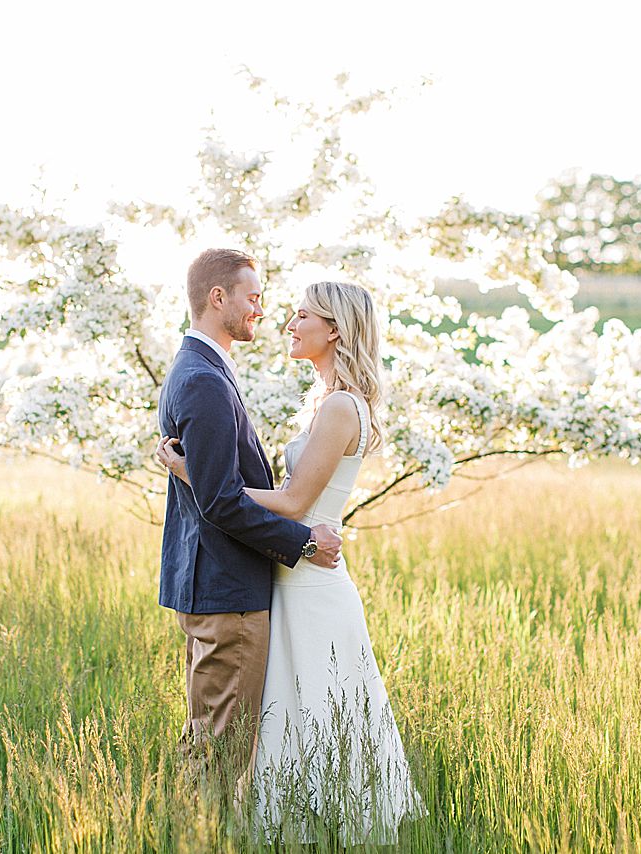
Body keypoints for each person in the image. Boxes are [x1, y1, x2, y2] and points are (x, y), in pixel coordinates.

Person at [157, 279, 426, 845]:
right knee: (289, 708)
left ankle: (337, 823)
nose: (288, 322)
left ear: (334, 329)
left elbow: (296, 502)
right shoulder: (323, 403)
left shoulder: (340, 408)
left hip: (312, 582)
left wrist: (198, 477)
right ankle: (294, 822)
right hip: (289, 573)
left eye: (302, 315)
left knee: (324, 706)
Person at [156, 248, 344, 790]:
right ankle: (203, 836)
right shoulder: (203, 381)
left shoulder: (203, 370)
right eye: (254, 297)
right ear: (219, 298)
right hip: (227, 591)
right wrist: (305, 543)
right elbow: (220, 501)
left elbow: (213, 488)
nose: (263, 310)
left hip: (214, 586)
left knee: (211, 742)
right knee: (222, 752)